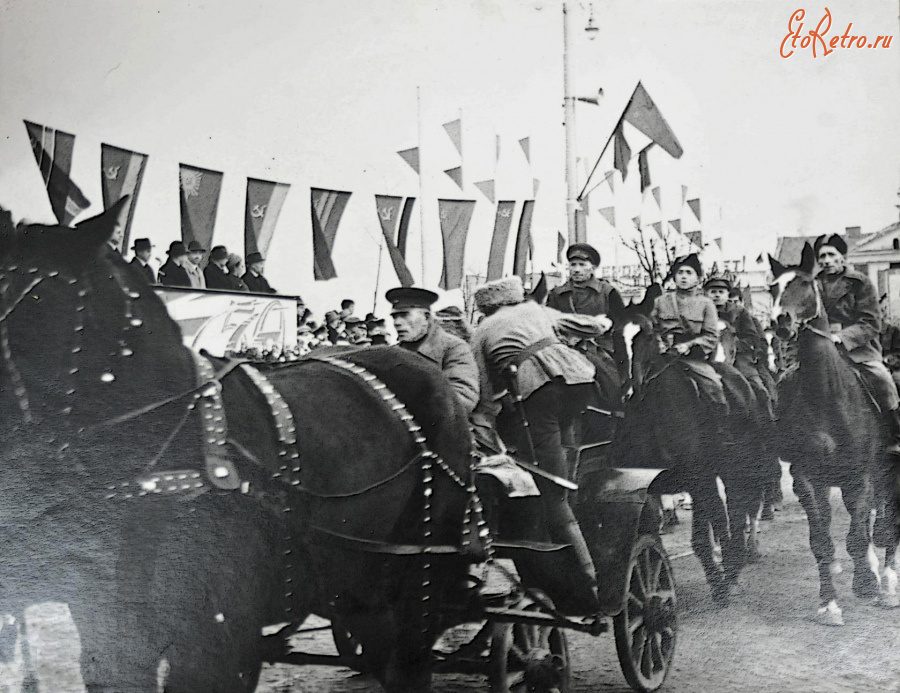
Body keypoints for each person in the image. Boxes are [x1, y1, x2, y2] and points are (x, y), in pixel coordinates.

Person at [471, 275, 598, 597]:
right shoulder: (536, 309)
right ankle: (568, 474)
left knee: (551, 490)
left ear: (486, 306)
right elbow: (593, 327)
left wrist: (487, 422)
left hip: (538, 393)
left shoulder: (483, 330)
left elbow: (482, 392)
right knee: (562, 440)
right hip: (580, 382)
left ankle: (589, 577)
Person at [815, 234, 900, 454]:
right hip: (819, 349)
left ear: (842, 257)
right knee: (788, 381)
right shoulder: (812, 286)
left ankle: (894, 436)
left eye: (831, 254)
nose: (826, 260)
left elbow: (871, 322)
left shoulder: (860, 283)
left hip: (858, 350)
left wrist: (841, 337)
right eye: (821, 256)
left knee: (883, 380)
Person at [651, 254, 728, 410]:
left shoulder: (706, 304)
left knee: (714, 387)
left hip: (691, 358)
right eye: (680, 273)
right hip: (662, 355)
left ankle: (718, 428)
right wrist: (658, 343)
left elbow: (712, 337)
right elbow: (651, 328)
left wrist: (688, 346)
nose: (683, 277)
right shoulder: (660, 301)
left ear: (698, 278)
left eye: (689, 273)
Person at [387, 286, 479, 416]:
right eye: (394, 317)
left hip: (445, 427)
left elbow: (463, 398)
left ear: (426, 317)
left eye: (404, 315)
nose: (397, 322)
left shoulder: (454, 347)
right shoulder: (392, 353)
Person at [704, 274, 774, 418]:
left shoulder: (739, 312)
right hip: (708, 356)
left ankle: (766, 422)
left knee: (757, 387)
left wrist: (733, 343)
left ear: (727, 294)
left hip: (739, 356)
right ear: (706, 294)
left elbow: (752, 337)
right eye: (713, 291)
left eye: (721, 292)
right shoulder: (701, 311)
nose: (717, 295)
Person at [546, 243, 621, 355]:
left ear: (593, 268)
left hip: (602, 354)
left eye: (582, 265)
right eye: (573, 265)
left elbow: (620, 327)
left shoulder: (608, 292)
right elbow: (549, 325)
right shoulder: (556, 294)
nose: (576, 269)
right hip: (566, 354)